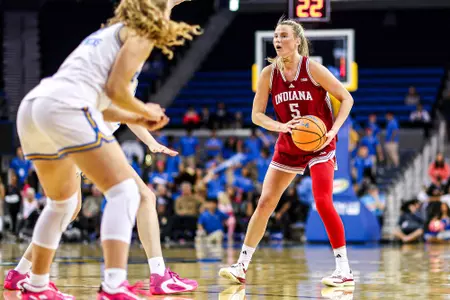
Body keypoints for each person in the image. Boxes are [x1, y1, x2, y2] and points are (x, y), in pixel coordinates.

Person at [13, 0, 201, 298]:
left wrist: (138, 118)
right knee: (127, 193)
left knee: (62, 205)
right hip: (67, 109)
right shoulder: (141, 33)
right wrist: (146, 109)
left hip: (35, 107)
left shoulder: (110, 33)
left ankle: (33, 284)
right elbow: (115, 92)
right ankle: (114, 285)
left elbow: (106, 105)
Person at [219, 17, 355, 287]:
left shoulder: (313, 68)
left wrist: (333, 130)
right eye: (276, 36)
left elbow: (347, 98)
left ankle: (344, 269)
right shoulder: (268, 74)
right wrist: (280, 126)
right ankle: (241, 266)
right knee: (265, 202)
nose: (278, 40)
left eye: (283, 35)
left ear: (297, 41)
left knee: (323, 201)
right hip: (289, 143)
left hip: (320, 144)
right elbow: (257, 115)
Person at [4, 112, 198, 296]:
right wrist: (146, 116)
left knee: (67, 210)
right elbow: (123, 109)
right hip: (84, 142)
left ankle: (20, 273)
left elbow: (125, 114)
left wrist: (150, 141)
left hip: (65, 141)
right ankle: (155, 275)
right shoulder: (116, 80)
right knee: (144, 197)